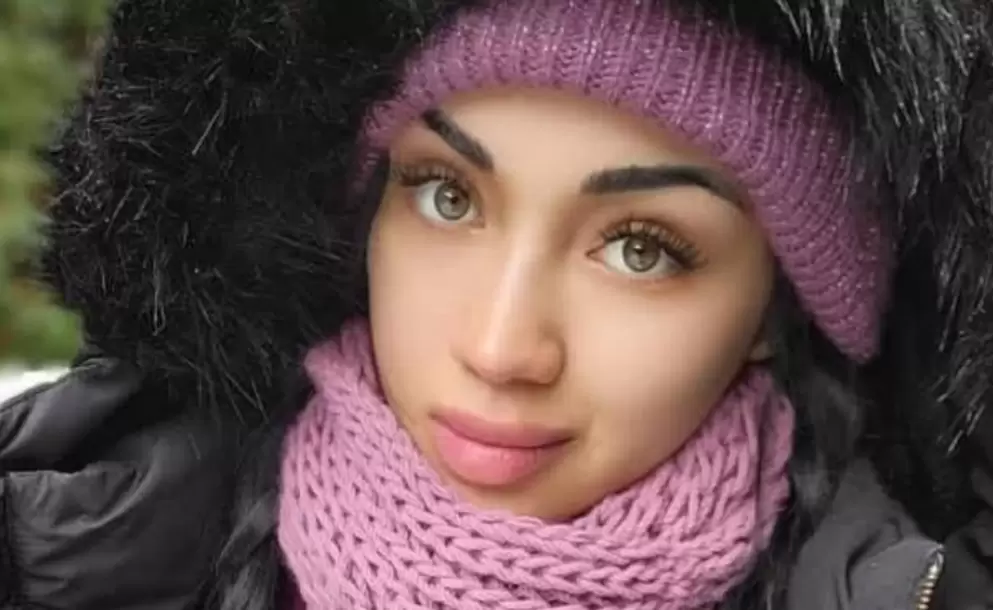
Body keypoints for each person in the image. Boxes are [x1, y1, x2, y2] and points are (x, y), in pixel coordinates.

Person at [2, 0, 993, 608]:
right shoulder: (60, 538)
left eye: (642, 249)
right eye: (446, 196)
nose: (500, 345)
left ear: (772, 316)